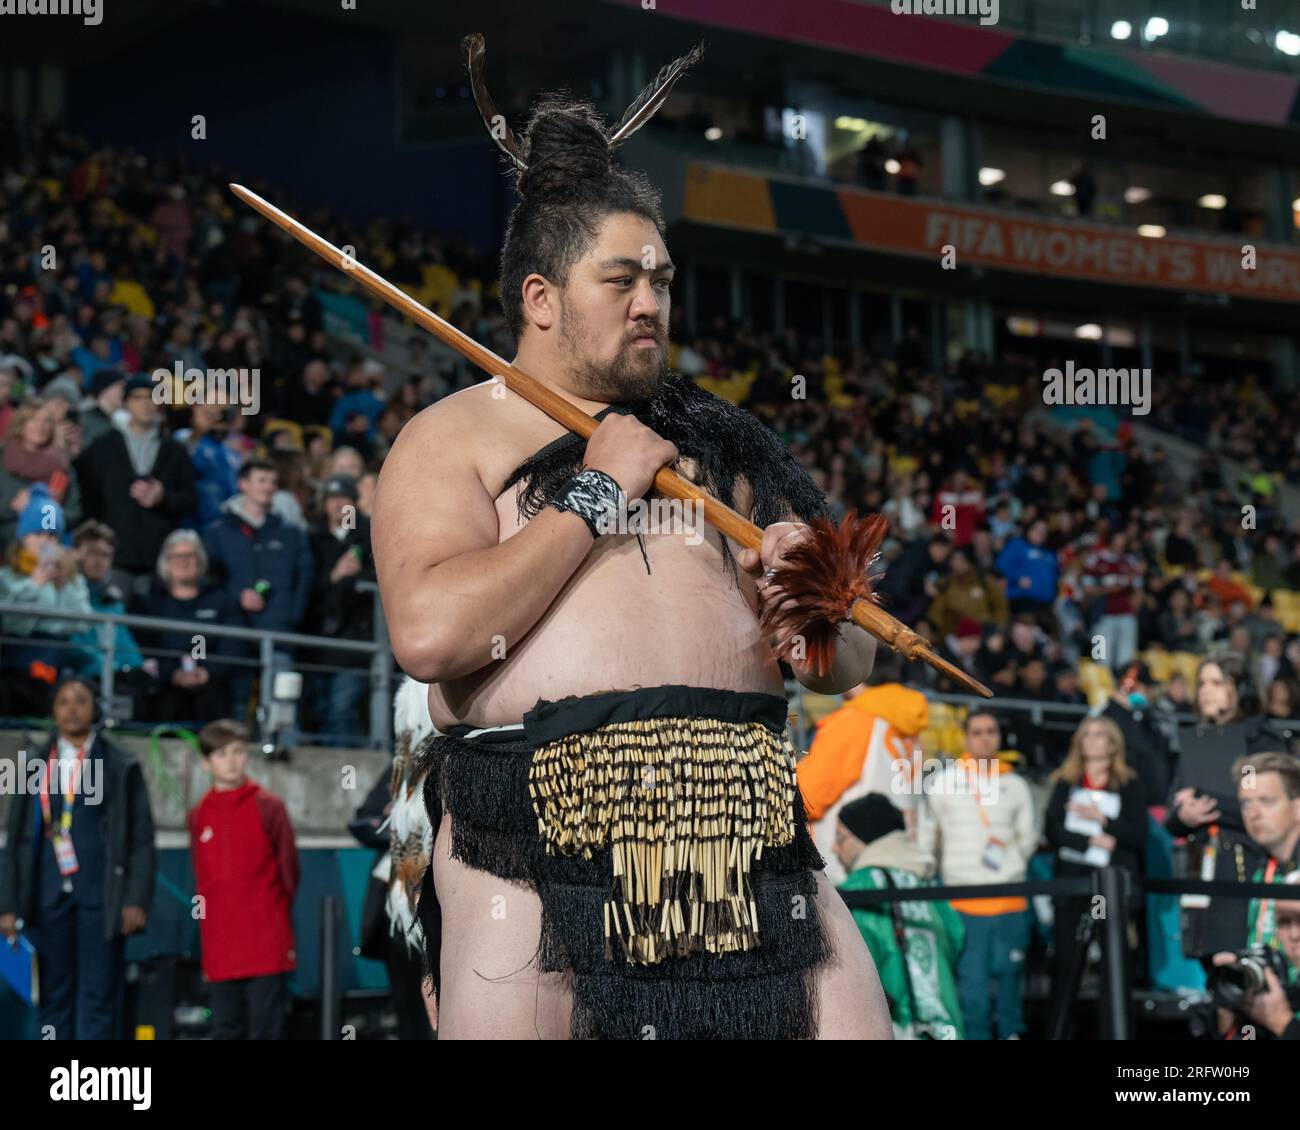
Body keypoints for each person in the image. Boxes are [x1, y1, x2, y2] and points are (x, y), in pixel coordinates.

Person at [376, 38, 889, 1040]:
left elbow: (852, 665)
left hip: (746, 829)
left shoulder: (727, 439)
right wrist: (600, 489)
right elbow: (432, 637)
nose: (652, 300)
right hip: (532, 828)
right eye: (621, 279)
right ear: (540, 298)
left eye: (660, 276)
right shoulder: (455, 433)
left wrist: (813, 609)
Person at [0, 678, 155, 1039]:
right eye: (64, 701)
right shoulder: (35, 762)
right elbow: (16, 838)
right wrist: (8, 904)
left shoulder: (119, 763)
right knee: (53, 997)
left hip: (101, 898)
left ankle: (90, 1084)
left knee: (99, 997)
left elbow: (141, 838)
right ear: (53, 710)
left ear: (95, 709)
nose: (72, 709)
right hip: (46, 898)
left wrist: (135, 899)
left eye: (81, 701)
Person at [915, 711, 1038, 1040]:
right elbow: (930, 837)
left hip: (1009, 897)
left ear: (999, 737)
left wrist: (1008, 866)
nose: (986, 738)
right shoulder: (944, 783)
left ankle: (1012, 1033)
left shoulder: (1015, 784)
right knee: (971, 984)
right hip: (962, 900)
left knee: (1011, 977)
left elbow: (1028, 838)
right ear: (966, 738)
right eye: (978, 732)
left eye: (992, 731)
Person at [1168, 652, 1290, 957]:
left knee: (1239, 960)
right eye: (1201, 683)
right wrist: (1183, 813)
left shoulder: (1259, 742)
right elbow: (1171, 815)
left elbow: (1256, 806)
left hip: (1245, 866)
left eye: (1217, 682)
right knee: (1207, 963)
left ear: (1240, 688)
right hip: (1199, 868)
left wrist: (1205, 801)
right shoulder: (1196, 743)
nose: (1206, 690)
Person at [188, 719, 299, 1039]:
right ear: (206, 763)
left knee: (266, 1029)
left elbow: (289, 872)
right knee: (225, 1028)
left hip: (267, 942)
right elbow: (203, 876)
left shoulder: (269, 807)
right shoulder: (199, 815)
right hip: (220, 945)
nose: (232, 760)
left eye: (238, 751)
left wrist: (270, 913)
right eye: (222, 754)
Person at [1043, 715, 1148, 1037]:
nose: (1092, 739)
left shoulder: (1129, 783)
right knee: (1067, 963)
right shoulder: (1064, 781)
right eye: (1086, 733)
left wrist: (1102, 820)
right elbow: (1052, 830)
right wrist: (1091, 840)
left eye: (1099, 734)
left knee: (1114, 965)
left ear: (1113, 743)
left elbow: (1137, 835)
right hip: (1073, 883)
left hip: (1111, 887)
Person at [836, 794, 966, 1039]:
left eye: (841, 837)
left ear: (866, 839)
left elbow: (849, 970)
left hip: (892, 1027)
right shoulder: (927, 883)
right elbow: (957, 938)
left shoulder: (855, 891)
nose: (834, 847)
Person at [202, 459, 313, 727]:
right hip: (233, 629)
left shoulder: (291, 533)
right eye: (261, 480)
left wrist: (292, 616)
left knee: (282, 698)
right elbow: (208, 578)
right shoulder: (218, 531)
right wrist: (237, 596)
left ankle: (284, 751)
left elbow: (305, 576)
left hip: (279, 629)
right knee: (236, 700)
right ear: (243, 484)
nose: (268, 487)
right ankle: (234, 752)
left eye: (273, 482)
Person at [797, 660, 929, 884]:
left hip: (849, 874)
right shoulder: (907, 728)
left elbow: (805, 797)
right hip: (899, 866)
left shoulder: (854, 721)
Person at [74, 374, 197, 596]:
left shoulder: (175, 450)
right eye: (138, 397)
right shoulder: (103, 447)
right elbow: (87, 495)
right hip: (114, 555)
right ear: (126, 402)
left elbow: (189, 499)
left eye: (151, 397)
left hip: (158, 558)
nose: (145, 403)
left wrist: (163, 498)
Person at [1209, 752, 1300, 1039]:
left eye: (1267, 801)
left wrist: (1284, 1023)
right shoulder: (1262, 870)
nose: (1253, 813)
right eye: (1246, 802)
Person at [133, 528, 246, 724]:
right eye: (177, 555)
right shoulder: (149, 603)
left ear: (201, 561)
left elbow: (233, 645)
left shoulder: (220, 601)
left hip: (212, 689)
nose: (183, 561)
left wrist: (208, 671)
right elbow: (143, 646)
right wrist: (172, 674)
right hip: (163, 689)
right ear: (165, 563)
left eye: (190, 555)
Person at [306, 473, 375, 745]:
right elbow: (306, 586)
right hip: (317, 642)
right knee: (318, 712)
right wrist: (334, 578)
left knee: (341, 712)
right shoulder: (312, 536)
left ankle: (344, 778)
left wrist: (353, 577)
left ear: (354, 503)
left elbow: (383, 579)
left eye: (344, 499)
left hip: (355, 641)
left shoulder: (370, 533)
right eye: (332, 499)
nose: (338, 505)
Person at [1100, 659, 1171, 808]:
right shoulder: (1107, 720)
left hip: (1148, 803)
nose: (1148, 694)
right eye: (1146, 688)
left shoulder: (1142, 716)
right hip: (1123, 802)